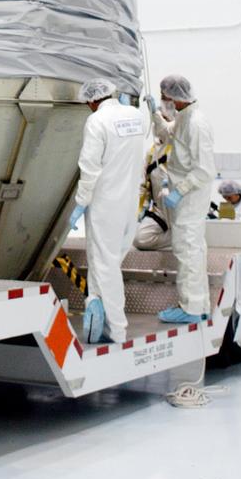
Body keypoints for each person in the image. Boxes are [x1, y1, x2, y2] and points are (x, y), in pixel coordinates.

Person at [67, 79, 146, 344]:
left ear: (92, 101)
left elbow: (90, 167)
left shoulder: (97, 122)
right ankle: (97, 313)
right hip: (129, 203)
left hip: (105, 204)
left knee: (105, 264)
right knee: (108, 263)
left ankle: (117, 329)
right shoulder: (135, 116)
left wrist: (81, 202)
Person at [151, 74, 216, 324]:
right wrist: (155, 114)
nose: (164, 101)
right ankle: (197, 305)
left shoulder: (196, 124)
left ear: (176, 97)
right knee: (190, 250)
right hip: (185, 196)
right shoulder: (183, 117)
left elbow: (204, 169)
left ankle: (191, 309)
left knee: (188, 250)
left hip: (190, 196)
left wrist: (180, 190)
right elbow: (168, 134)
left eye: (165, 98)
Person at [134, 133, 174, 252]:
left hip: (181, 210)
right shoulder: (152, 152)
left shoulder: (183, 150)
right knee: (140, 239)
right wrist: (141, 209)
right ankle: (179, 238)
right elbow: (144, 184)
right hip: (160, 212)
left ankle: (185, 237)